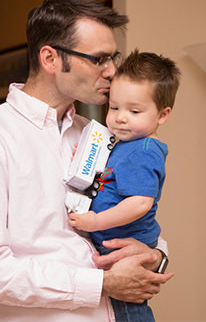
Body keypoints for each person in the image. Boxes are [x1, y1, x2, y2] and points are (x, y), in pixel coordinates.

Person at [0, 0, 173, 321]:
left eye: (114, 58)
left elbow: (132, 213)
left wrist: (156, 255)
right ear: (51, 59)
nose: (112, 71)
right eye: (99, 59)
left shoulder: (99, 135)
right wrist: (102, 284)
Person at [68, 51, 179, 322]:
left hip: (126, 246)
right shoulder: (122, 143)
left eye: (134, 111)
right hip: (116, 245)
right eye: (114, 107)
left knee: (130, 310)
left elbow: (139, 203)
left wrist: (96, 221)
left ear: (162, 115)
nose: (120, 118)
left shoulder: (144, 150)